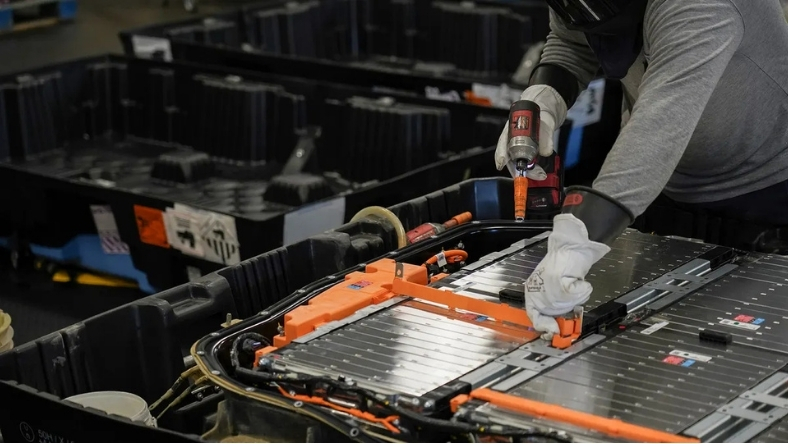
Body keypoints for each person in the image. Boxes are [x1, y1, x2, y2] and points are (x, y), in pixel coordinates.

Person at [494, 0, 788, 337]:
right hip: (662, 183)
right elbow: (573, 40)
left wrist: (577, 242)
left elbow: (661, 122)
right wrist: (545, 97)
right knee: (652, 340)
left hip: (768, 195)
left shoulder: (705, 5)